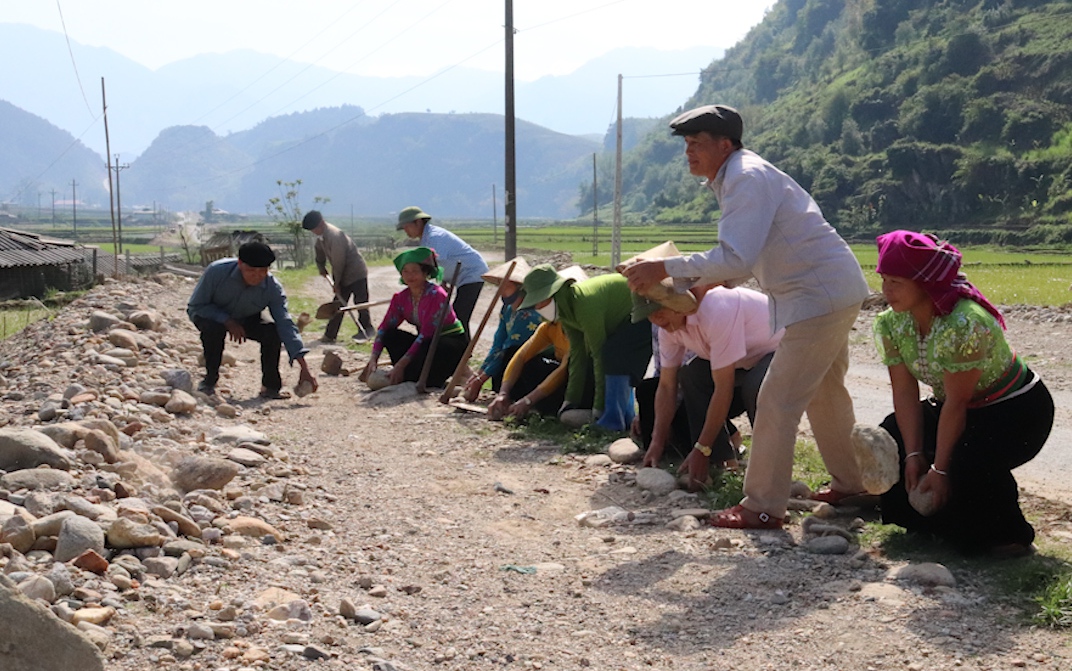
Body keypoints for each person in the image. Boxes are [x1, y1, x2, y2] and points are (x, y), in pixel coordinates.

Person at [621, 104, 869, 529]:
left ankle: (763, 506)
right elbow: (740, 261)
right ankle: (853, 486)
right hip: (826, 290)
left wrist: (664, 268)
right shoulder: (738, 176)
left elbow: (736, 255)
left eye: (697, 144)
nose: (688, 153)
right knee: (825, 392)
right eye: (686, 144)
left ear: (725, 145)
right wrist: (695, 285)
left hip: (817, 294)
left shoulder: (745, 177)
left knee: (777, 398)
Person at [873, 230, 1053, 556]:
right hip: (957, 407)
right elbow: (903, 391)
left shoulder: (965, 323)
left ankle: (1007, 536)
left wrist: (940, 470)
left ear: (924, 283)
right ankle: (925, 522)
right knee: (892, 433)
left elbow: (956, 403)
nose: (886, 291)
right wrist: (913, 455)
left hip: (1015, 410)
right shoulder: (891, 323)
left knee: (963, 454)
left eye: (896, 282)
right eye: (884, 280)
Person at [636, 286, 783, 489]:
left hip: (777, 346)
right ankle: (720, 459)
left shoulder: (715, 311)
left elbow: (724, 387)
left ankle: (771, 469)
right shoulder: (668, 328)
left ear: (677, 305)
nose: (656, 320)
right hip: (741, 356)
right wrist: (657, 442)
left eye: (659, 312)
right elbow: (667, 385)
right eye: (650, 316)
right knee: (691, 376)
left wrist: (701, 448)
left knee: (755, 388)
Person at [519, 265, 651, 431]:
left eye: (540, 302)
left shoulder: (584, 303)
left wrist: (597, 408)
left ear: (554, 294)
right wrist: (570, 401)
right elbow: (577, 355)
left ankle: (611, 422)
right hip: (619, 319)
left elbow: (598, 353)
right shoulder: (566, 313)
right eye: (535, 305)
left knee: (613, 357)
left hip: (641, 310)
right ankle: (625, 418)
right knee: (607, 357)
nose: (538, 309)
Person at [187, 240, 318, 399]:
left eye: (262, 271)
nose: (257, 276)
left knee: (272, 330)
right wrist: (227, 320)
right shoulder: (216, 272)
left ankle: (270, 387)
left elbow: (286, 324)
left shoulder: (272, 288)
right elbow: (197, 305)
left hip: (247, 317)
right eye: (251, 270)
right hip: (212, 315)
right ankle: (209, 381)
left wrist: (304, 367)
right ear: (240, 264)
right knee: (213, 330)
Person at [361, 247, 468, 389]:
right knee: (390, 335)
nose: (410, 276)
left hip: (448, 343)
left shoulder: (436, 295)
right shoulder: (400, 298)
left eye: (415, 271)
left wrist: (400, 364)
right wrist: (374, 358)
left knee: (426, 354)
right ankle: (405, 374)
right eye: (406, 271)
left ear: (425, 273)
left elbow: (426, 334)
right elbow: (384, 328)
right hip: (426, 342)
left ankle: (414, 374)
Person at [396, 206, 489, 337]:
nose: (405, 231)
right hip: (462, 276)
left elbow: (435, 261)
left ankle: (462, 351)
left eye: (407, 226)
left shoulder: (435, 237)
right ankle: (461, 350)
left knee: (460, 314)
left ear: (418, 222)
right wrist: (443, 280)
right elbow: (441, 264)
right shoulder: (426, 238)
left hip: (471, 273)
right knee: (457, 314)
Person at [461, 257, 541, 402]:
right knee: (501, 362)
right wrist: (479, 373)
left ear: (520, 288)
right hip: (509, 359)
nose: (501, 290)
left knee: (510, 352)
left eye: (506, 286)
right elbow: (498, 343)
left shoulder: (527, 314)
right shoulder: (507, 309)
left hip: (528, 362)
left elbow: (508, 347)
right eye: (499, 285)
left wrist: (481, 380)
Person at [301, 210, 375, 343]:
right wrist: (321, 267)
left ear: (321, 224)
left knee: (361, 304)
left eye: (314, 229)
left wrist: (337, 283)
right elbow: (319, 251)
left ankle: (366, 330)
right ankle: (330, 335)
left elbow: (338, 263)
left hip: (356, 272)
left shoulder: (335, 236)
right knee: (338, 306)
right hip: (344, 274)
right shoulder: (321, 236)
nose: (313, 232)